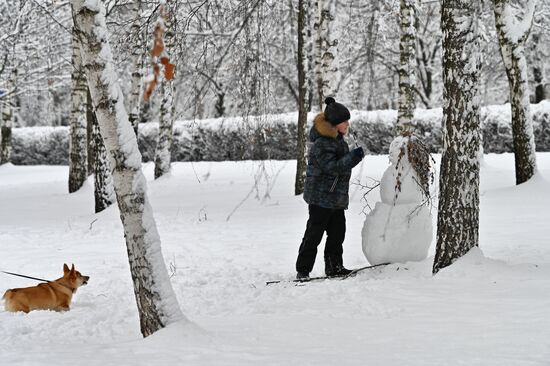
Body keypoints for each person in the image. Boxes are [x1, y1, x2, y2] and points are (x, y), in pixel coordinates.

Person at [296, 97, 365, 280]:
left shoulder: (337, 140)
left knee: (337, 234)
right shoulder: (322, 143)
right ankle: (303, 269)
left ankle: (334, 267)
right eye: (344, 121)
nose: (347, 124)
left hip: (335, 198)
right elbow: (332, 167)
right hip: (320, 198)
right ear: (335, 124)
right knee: (314, 234)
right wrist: (353, 157)